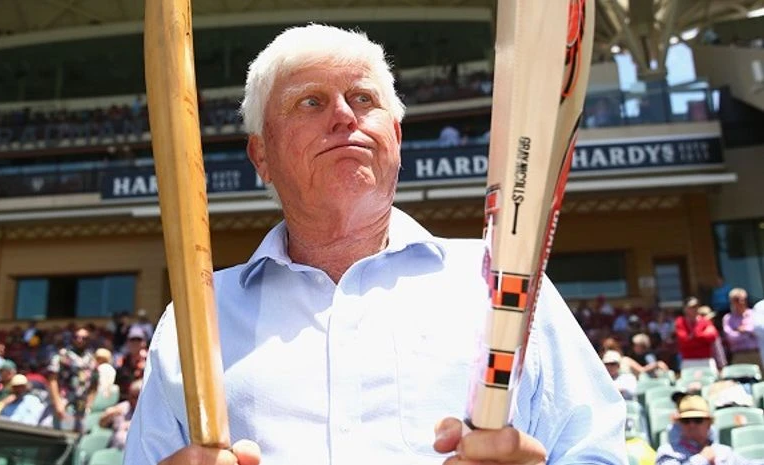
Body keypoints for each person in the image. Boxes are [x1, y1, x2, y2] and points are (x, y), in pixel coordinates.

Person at [125, 24, 626, 465]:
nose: (345, 116)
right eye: (311, 102)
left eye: (363, 99)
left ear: (396, 136)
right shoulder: (198, 317)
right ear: (262, 155)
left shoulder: (501, 282)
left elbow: (596, 449)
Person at [654, 394, 762, 464]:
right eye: (686, 420)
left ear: (709, 423)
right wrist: (702, 459)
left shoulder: (723, 452)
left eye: (697, 420)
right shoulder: (668, 452)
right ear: (679, 424)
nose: (692, 425)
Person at [675, 297, 719, 372]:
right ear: (685, 309)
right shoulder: (680, 322)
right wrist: (702, 339)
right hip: (689, 361)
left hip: (706, 360)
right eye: (691, 307)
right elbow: (684, 341)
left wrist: (694, 336)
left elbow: (712, 336)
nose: (695, 309)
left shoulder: (705, 321)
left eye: (696, 306)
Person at [722, 288, 762, 369]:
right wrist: (748, 333)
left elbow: (758, 331)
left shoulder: (754, 314)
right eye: (737, 300)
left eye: (742, 299)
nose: (740, 302)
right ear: (731, 301)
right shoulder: (728, 318)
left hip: (756, 353)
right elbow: (730, 338)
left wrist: (743, 330)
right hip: (739, 355)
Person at [100, 379, 141, 449]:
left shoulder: (148, 414)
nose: (130, 399)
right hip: (117, 448)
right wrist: (108, 415)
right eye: (130, 396)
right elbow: (101, 424)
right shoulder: (123, 407)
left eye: (135, 397)